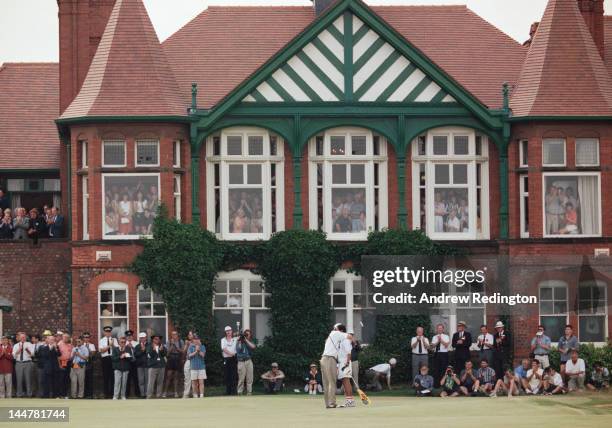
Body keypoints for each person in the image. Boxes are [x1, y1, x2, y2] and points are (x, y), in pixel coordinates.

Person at [320, 323, 351, 408]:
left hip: (323, 359)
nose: (334, 329)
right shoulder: (336, 333)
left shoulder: (332, 336)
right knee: (332, 382)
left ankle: (328, 404)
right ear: (341, 331)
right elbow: (350, 337)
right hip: (330, 359)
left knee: (326, 383)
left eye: (335, 328)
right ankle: (332, 403)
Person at [336, 325, 354, 408]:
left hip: (345, 362)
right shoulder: (341, 340)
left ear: (341, 330)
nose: (335, 331)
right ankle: (350, 400)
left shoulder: (345, 340)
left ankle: (349, 401)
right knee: (345, 381)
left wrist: (346, 363)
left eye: (336, 330)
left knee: (346, 381)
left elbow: (348, 352)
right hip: (342, 362)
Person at [12, 332, 34, 398]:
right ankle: (19, 394)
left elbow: (32, 354)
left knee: (28, 379)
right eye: (21, 337)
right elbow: (14, 356)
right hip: (19, 363)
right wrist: (18, 351)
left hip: (27, 363)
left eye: (24, 337)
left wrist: (27, 350)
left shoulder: (29, 344)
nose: (23, 338)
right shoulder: (16, 345)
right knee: (19, 379)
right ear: (19, 338)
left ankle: (29, 394)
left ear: (26, 338)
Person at [98, 326, 118, 399]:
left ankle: (112, 393)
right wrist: (109, 346)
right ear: (104, 332)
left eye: (109, 331)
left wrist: (112, 345)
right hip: (105, 359)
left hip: (113, 358)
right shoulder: (101, 340)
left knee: (113, 377)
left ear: (111, 332)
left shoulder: (114, 340)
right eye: (106, 332)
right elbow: (101, 351)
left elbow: (117, 350)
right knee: (105, 376)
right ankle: (106, 393)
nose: (108, 333)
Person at [163, 331, 183, 398]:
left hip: (177, 358)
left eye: (175, 334)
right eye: (172, 335)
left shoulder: (181, 342)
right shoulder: (168, 342)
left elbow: (182, 351)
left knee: (176, 377)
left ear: (177, 335)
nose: (174, 336)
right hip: (171, 359)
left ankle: (176, 392)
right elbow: (167, 353)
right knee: (168, 376)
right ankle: (165, 392)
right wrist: (172, 344)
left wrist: (176, 346)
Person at [236, 329, 255, 396]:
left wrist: (246, 340)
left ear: (250, 335)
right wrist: (241, 340)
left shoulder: (250, 341)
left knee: (250, 377)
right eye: (245, 334)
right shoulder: (239, 341)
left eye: (248, 334)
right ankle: (239, 392)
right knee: (241, 378)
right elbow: (239, 349)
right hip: (241, 362)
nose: (247, 335)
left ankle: (249, 392)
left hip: (248, 361)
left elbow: (253, 347)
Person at [221, 326, 238, 396]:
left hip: (234, 359)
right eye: (227, 331)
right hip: (227, 359)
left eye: (229, 331)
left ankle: (234, 392)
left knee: (234, 375)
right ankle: (228, 392)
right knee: (227, 375)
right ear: (225, 332)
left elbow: (241, 339)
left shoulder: (235, 339)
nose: (228, 332)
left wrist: (238, 334)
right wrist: (231, 354)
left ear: (231, 331)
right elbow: (224, 349)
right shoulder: (223, 340)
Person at [57, 333, 73, 399]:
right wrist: (59, 365)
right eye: (65, 337)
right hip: (62, 362)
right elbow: (57, 356)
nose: (66, 339)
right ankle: (60, 394)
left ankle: (65, 394)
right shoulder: (59, 344)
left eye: (67, 337)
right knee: (61, 378)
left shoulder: (70, 345)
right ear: (62, 338)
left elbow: (72, 353)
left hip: (68, 362)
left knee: (67, 378)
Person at [82, 332, 96, 399]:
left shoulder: (92, 345)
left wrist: (88, 349)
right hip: (82, 363)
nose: (86, 338)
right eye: (85, 337)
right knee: (82, 379)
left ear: (89, 338)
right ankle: (83, 394)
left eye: (87, 337)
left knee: (90, 379)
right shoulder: (81, 345)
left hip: (89, 363)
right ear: (83, 338)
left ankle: (90, 394)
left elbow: (93, 354)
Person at [134, 332, 148, 398]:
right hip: (139, 365)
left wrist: (145, 350)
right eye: (141, 338)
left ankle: (147, 394)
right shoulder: (137, 346)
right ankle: (142, 394)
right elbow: (136, 355)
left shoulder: (149, 345)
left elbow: (150, 353)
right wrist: (142, 351)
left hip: (147, 365)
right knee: (141, 381)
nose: (142, 339)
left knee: (147, 380)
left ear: (146, 338)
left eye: (143, 338)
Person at [124, 330, 138, 397]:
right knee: (127, 379)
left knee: (136, 378)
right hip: (127, 362)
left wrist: (132, 347)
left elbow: (138, 352)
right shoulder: (123, 343)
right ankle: (126, 394)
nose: (129, 337)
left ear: (132, 336)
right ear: (126, 337)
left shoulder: (136, 343)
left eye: (130, 336)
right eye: (128, 336)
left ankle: (137, 394)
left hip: (135, 362)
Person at [181, 331, 193, 398]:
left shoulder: (197, 342)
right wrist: (186, 344)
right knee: (187, 378)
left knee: (195, 378)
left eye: (190, 334)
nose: (189, 336)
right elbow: (183, 351)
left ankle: (195, 393)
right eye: (188, 335)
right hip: (188, 360)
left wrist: (190, 343)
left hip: (195, 361)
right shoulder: (187, 342)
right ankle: (186, 394)